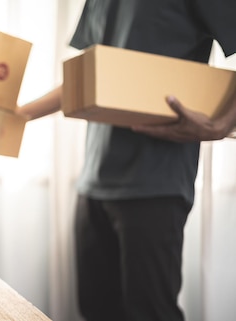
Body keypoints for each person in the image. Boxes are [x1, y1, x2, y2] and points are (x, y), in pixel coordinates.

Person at [16, 0, 236, 320]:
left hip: (155, 184)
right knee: (96, 310)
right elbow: (89, 77)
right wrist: (16, 115)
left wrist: (222, 125)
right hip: (94, 182)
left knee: (150, 313)